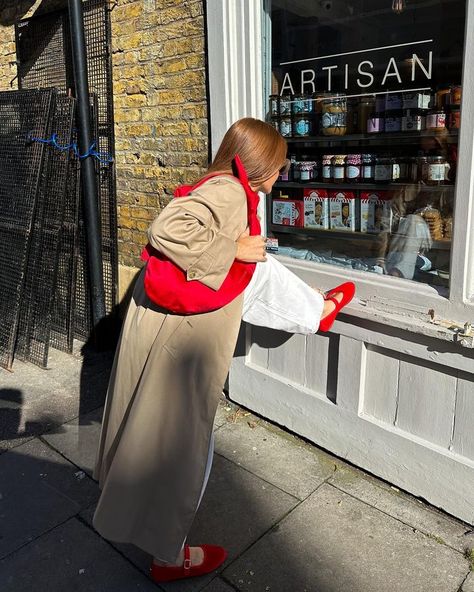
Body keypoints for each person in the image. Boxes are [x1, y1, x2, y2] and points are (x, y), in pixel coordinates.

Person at [92, 117, 355, 584]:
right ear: (260, 165)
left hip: (172, 323)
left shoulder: (230, 188)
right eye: (280, 165)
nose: (282, 174)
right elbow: (166, 227)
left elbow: (248, 277)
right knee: (184, 444)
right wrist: (233, 247)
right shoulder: (231, 191)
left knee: (167, 437)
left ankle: (315, 310)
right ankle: (169, 556)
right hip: (182, 337)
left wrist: (241, 253)